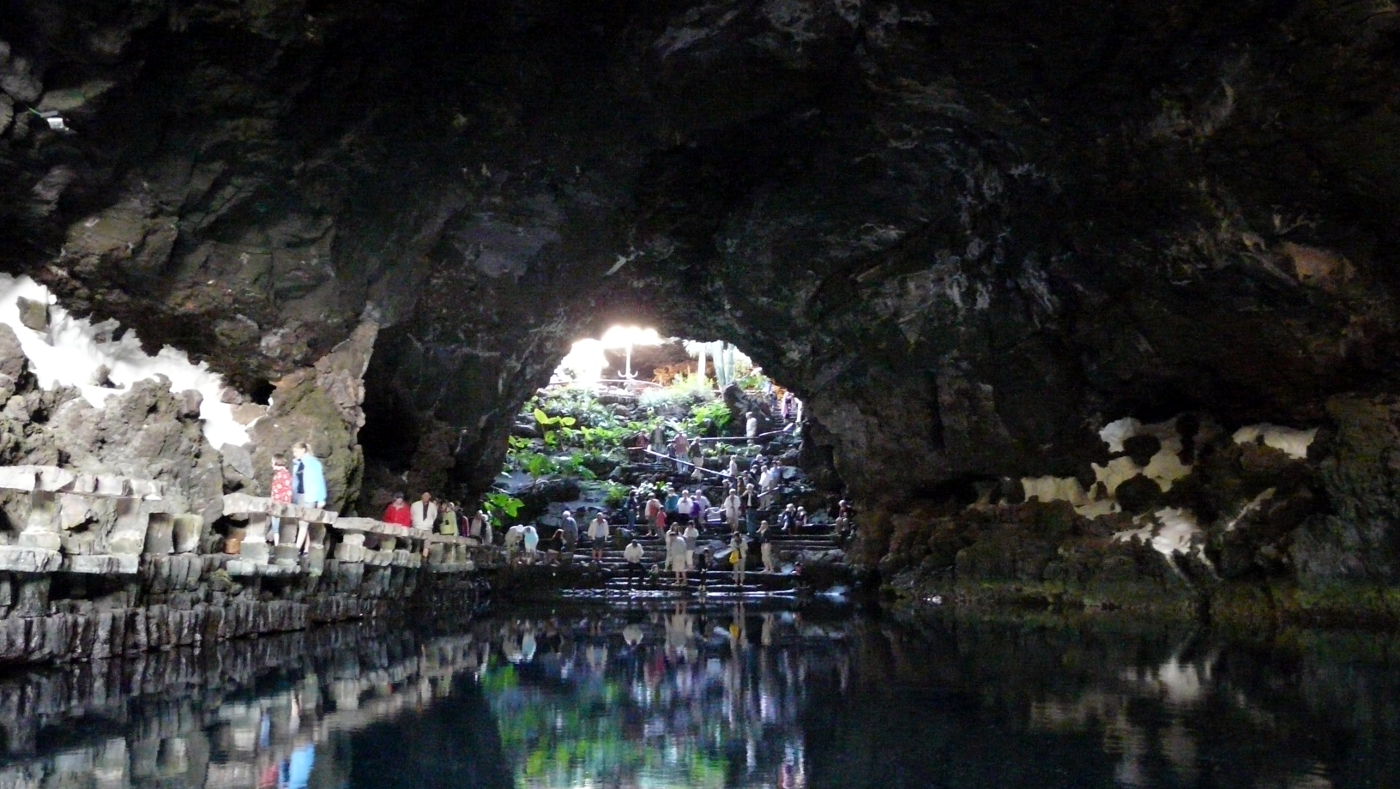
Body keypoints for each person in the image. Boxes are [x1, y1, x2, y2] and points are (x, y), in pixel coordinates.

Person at [290, 442, 327, 508]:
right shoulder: (297, 464)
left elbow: (319, 481)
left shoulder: (313, 463)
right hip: (298, 496)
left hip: (309, 497)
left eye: (296, 452)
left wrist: (321, 499)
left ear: (303, 450)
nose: (294, 454)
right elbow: (295, 481)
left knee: (307, 518)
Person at [269, 453, 293, 543]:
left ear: (276, 462)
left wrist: (273, 501)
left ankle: (276, 544)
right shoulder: (287, 473)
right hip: (286, 503)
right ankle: (276, 542)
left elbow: (276, 491)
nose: (271, 464)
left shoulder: (279, 475)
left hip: (278, 503)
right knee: (277, 525)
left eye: (272, 462)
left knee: (276, 525)